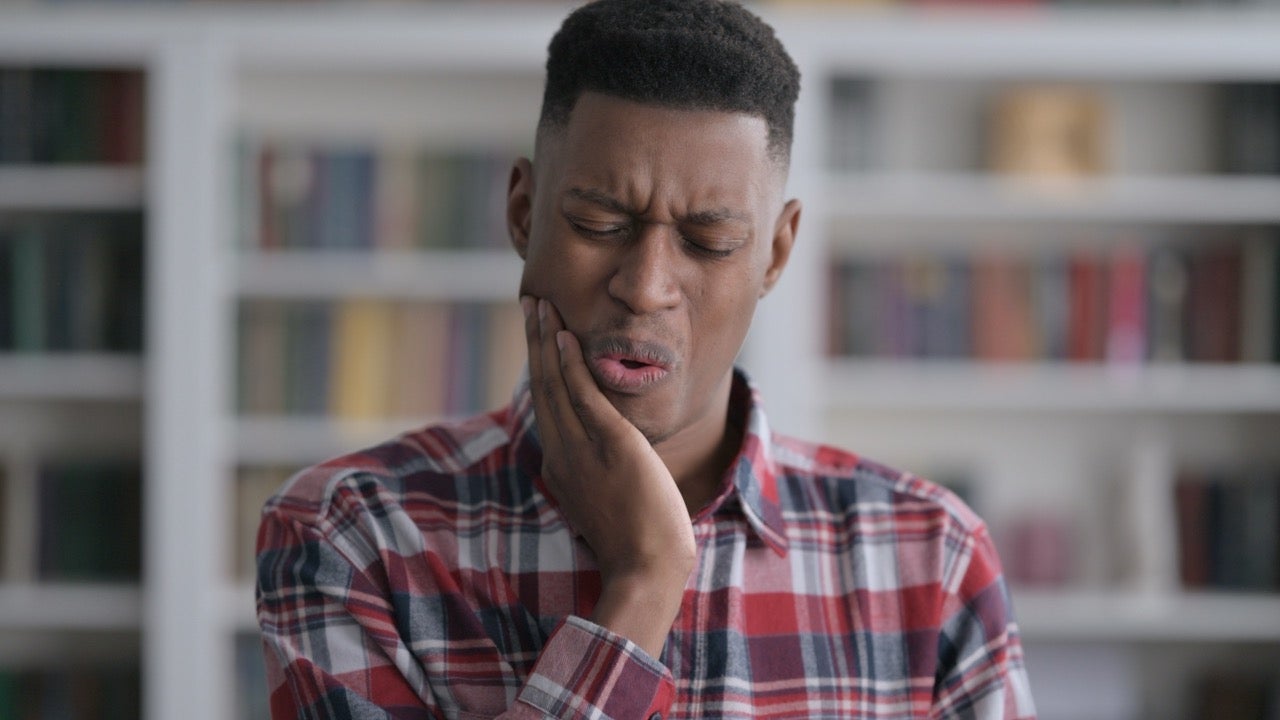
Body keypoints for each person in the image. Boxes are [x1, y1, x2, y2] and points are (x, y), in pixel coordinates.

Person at [255, 1, 1037, 718]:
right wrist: (644, 582)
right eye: (599, 223)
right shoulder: (352, 536)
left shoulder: (930, 558)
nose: (645, 287)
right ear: (523, 213)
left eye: (710, 242)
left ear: (776, 252)